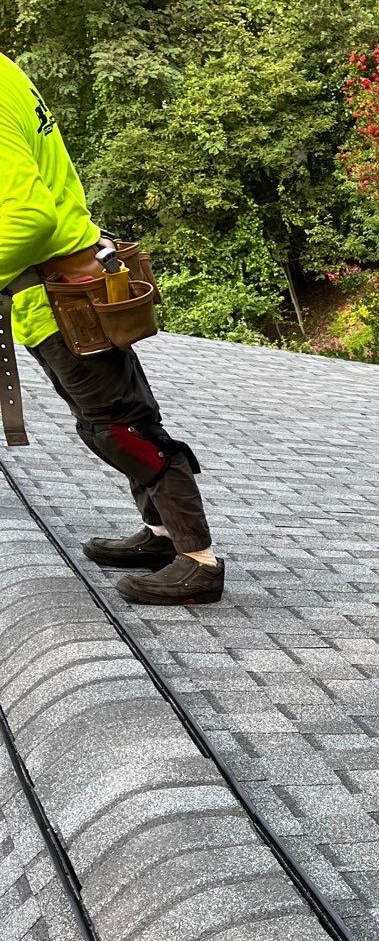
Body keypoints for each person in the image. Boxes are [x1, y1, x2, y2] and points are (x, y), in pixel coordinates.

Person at [0, 52, 223, 605]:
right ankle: (161, 536)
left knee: (122, 429)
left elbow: (27, 218)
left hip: (62, 298)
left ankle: (198, 562)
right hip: (62, 294)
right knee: (118, 419)